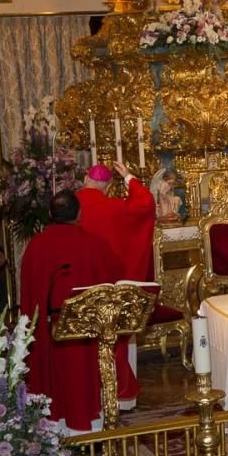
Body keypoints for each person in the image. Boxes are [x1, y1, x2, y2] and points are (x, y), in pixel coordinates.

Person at [20, 191, 122, 433]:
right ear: (79, 214)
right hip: (85, 340)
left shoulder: (35, 247)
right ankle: (88, 428)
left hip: (48, 335)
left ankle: (50, 431)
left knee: (53, 379)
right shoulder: (95, 245)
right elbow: (115, 281)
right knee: (81, 378)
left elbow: (28, 298)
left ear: (50, 215)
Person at [76, 161, 157, 408]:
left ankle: (86, 396)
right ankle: (119, 397)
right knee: (114, 336)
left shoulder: (70, 206)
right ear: (108, 186)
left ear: (84, 180)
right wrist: (130, 177)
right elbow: (146, 204)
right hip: (111, 284)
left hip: (79, 285)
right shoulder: (115, 207)